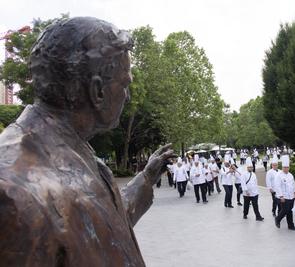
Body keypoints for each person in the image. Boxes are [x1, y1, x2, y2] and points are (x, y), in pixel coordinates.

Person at [0, 17, 175, 266]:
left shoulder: (78, 149)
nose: (127, 95)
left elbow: (100, 225)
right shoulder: (13, 194)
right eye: (124, 84)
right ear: (98, 91)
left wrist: (145, 179)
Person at [274, 155, 295, 230]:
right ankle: (277, 219)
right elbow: (277, 186)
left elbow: (293, 185)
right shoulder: (279, 175)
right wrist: (281, 196)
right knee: (285, 209)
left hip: (291, 196)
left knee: (290, 211)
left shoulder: (290, 175)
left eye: (287, 167)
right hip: (283, 196)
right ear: (282, 167)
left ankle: (290, 225)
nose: (286, 169)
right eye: (285, 167)